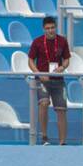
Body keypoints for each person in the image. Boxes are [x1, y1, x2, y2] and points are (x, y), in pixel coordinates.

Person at [27, 16, 70, 146]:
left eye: (52, 28)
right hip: (42, 80)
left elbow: (67, 59)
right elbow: (30, 61)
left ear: (55, 27)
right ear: (43, 29)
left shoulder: (62, 41)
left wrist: (62, 67)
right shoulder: (37, 42)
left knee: (61, 109)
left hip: (58, 80)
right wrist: (39, 74)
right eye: (47, 28)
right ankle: (45, 137)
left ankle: (62, 141)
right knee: (44, 103)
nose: (50, 30)